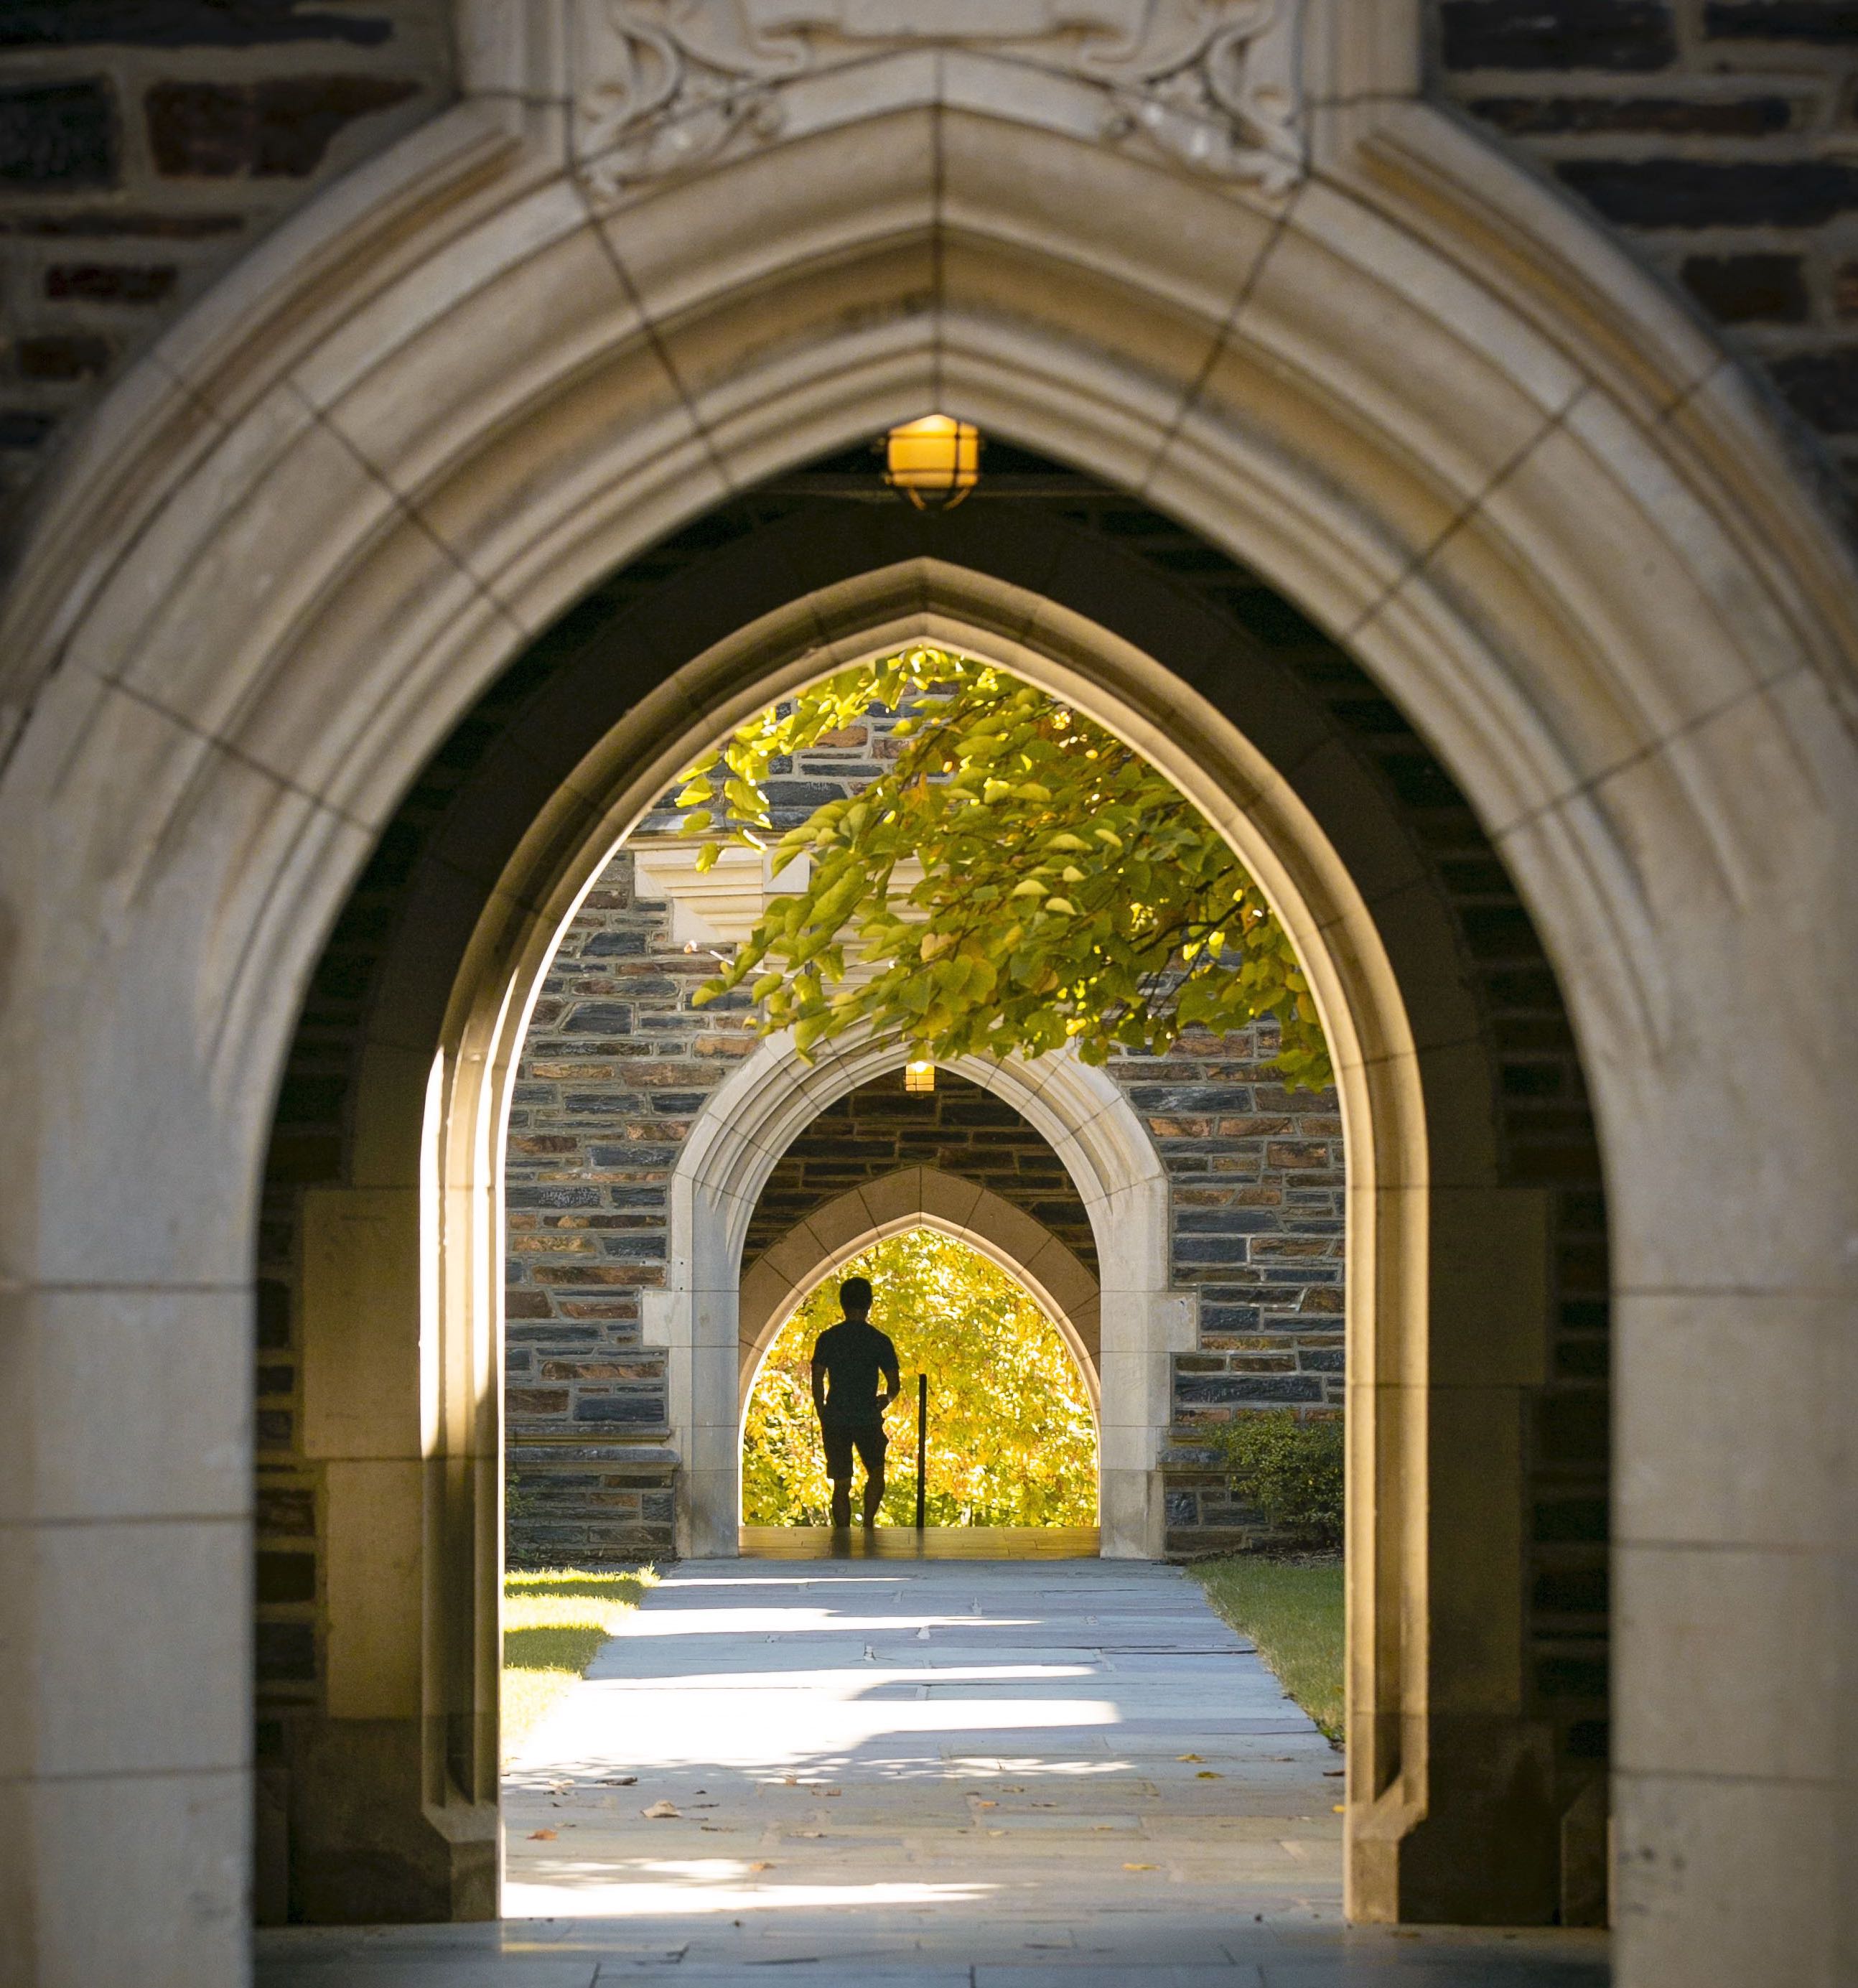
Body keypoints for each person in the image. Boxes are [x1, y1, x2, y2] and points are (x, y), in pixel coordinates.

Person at [810, 1275, 900, 1529]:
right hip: (867, 1416)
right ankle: (869, 1524)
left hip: (836, 1416)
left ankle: (842, 1533)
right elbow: (894, 1384)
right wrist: (887, 1399)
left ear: (842, 1304)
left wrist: (822, 1411)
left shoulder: (828, 1338)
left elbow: (817, 1377)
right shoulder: (879, 1340)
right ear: (869, 1304)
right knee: (876, 1472)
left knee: (841, 1483)